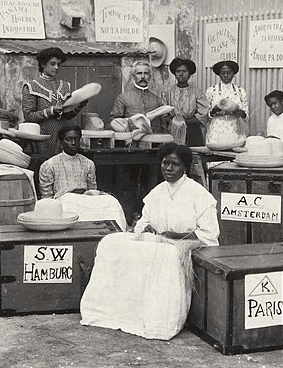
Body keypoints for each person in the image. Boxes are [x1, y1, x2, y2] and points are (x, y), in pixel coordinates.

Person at [80, 143, 219, 340]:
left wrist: (176, 237)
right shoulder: (157, 192)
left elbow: (209, 234)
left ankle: (159, 320)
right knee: (111, 243)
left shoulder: (199, 194)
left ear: (185, 167)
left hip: (184, 247)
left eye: (175, 165)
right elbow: (141, 224)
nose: (168, 169)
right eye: (165, 163)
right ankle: (113, 312)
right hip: (156, 243)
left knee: (166, 255)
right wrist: (145, 230)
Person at [38, 125, 127, 230]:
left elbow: (92, 190)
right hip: (63, 203)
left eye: (76, 139)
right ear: (61, 143)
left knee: (110, 201)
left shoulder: (88, 163)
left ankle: (114, 233)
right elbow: (46, 198)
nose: (73, 143)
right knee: (70, 204)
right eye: (69, 139)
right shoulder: (49, 165)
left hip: (85, 200)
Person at [21, 47, 84, 159]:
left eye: (58, 64)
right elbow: (28, 116)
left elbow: (67, 115)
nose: (56, 67)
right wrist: (50, 111)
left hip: (62, 136)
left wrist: (79, 105)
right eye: (53, 63)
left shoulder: (65, 86)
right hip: (41, 138)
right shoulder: (31, 87)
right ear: (43, 64)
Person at [109, 61, 167, 133]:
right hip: (130, 141)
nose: (143, 76)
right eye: (139, 73)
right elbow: (115, 123)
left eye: (146, 73)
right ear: (133, 76)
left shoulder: (157, 100)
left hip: (154, 141)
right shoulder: (123, 98)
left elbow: (163, 126)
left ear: (150, 77)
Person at [162, 58, 208, 146]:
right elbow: (164, 114)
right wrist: (175, 122)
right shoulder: (167, 92)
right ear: (175, 74)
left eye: (184, 71)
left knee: (192, 156)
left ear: (189, 74)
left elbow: (202, 115)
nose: (181, 74)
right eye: (178, 71)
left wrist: (184, 122)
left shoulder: (197, 92)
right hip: (173, 129)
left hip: (192, 131)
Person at [203, 60, 248, 145]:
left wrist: (239, 112)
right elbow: (206, 114)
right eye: (223, 73)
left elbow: (246, 114)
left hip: (235, 129)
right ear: (219, 74)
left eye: (229, 72)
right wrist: (214, 110)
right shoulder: (212, 91)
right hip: (217, 129)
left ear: (233, 74)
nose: (226, 75)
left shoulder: (240, 91)